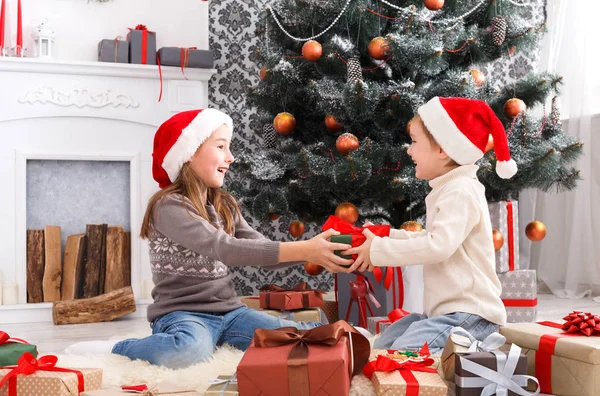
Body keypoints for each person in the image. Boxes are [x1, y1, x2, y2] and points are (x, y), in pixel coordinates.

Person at [67, 109, 354, 368]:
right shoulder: (168, 207)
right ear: (189, 153)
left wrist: (317, 251)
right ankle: (119, 348)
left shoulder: (225, 204)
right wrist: (305, 248)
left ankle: (217, 339)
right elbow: (224, 249)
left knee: (303, 337)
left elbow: (259, 250)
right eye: (221, 147)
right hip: (182, 314)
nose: (231, 157)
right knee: (187, 352)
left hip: (231, 312)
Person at [342, 97, 517, 353]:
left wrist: (378, 251)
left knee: (403, 355)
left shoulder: (461, 190)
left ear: (443, 149)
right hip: (442, 313)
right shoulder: (449, 187)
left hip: (469, 315)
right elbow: (432, 238)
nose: (409, 150)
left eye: (414, 142)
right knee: (381, 346)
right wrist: (386, 236)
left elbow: (438, 247)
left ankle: (472, 351)